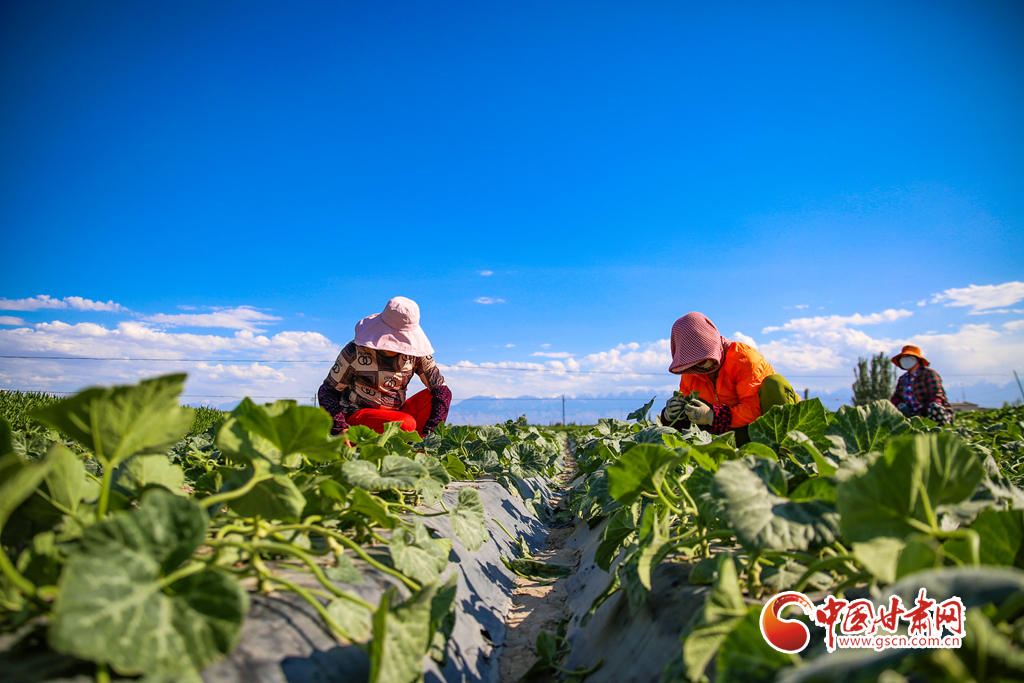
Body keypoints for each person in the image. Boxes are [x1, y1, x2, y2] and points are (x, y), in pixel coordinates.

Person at [317, 297, 451, 437]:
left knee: (432, 396)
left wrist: (433, 432)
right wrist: (339, 428)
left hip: (397, 413)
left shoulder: (416, 353)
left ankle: (422, 446)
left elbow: (442, 390)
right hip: (359, 415)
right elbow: (328, 391)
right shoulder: (355, 351)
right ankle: (359, 440)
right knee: (405, 423)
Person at [660, 312, 799, 444]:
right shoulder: (690, 372)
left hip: (766, 426)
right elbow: (689, 416)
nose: (700, 365)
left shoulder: (744, 358)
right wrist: (671, 415)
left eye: (703, 356)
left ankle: (786, 450)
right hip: (734, 432)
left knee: (775, 384)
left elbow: (753, 409)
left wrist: (712, 416)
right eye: (693, 360)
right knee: (693, 403)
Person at [889, 344, 954, 425]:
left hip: (929, 412)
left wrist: (923, 413)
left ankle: (941, 429)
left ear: (917, 359)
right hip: (911, 413)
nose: (905, 360)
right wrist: (900, 404)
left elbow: (936, 396)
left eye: (908, 357)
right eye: (903, 357)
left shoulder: (929, 373)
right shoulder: (903, 378)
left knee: (935, 406)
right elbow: (896, 396)